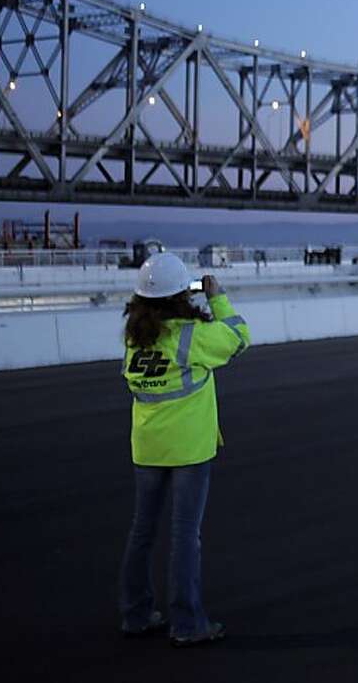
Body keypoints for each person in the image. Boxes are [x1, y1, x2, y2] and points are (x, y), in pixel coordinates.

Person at [118, 252, 250, 647]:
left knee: (142, 532)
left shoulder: (133, 336)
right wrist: (218, 298)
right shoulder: (190, 335)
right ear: (182, 294)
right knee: (184, 536)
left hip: (146, 446)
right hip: (189, 448)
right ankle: (187, 622)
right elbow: (240, 337)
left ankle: (135, 614)